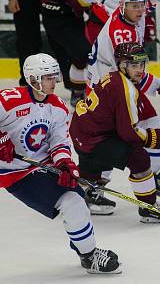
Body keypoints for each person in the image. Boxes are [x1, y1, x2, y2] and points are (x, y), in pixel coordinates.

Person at [0, 53, 120, 274]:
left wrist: (65, 164)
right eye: (48, 77)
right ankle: (89, 254)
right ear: (33, 78)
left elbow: (59, 141)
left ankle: (86, 252)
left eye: (55, 77)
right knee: (72, 202)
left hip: (40, 166)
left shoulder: (58, 106)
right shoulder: (9, 100)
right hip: (14, 173)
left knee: (76, 200)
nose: (54, 82)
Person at [83, 0, 160, 214]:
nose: (140, 10)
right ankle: (93, 189)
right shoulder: (122, 34)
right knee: (111, 138)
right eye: (135, 6)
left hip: (118, 82)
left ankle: (152, 179)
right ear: (122, 6)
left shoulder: (129, 11)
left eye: (142, 6)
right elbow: (133, 73)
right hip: (107, 88)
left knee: (153, 125)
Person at [69, 42, 160, 223]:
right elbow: (129, 132)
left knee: (97, 158)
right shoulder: (125, 88)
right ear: (122, 65)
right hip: (93, 138)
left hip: (81, 132)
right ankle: (149, 208)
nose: (140, 69)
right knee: (139, 158)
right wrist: (152, 137)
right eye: (134, 65)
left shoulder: (112, 76)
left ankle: (86, 195)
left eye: (142, 64)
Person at [39, 0, 95, 106]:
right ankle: (77, 92)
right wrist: (99, 4)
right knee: (81, 51)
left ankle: (77, 89)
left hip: (69, 13)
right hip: (56, 16)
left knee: (74, 55)